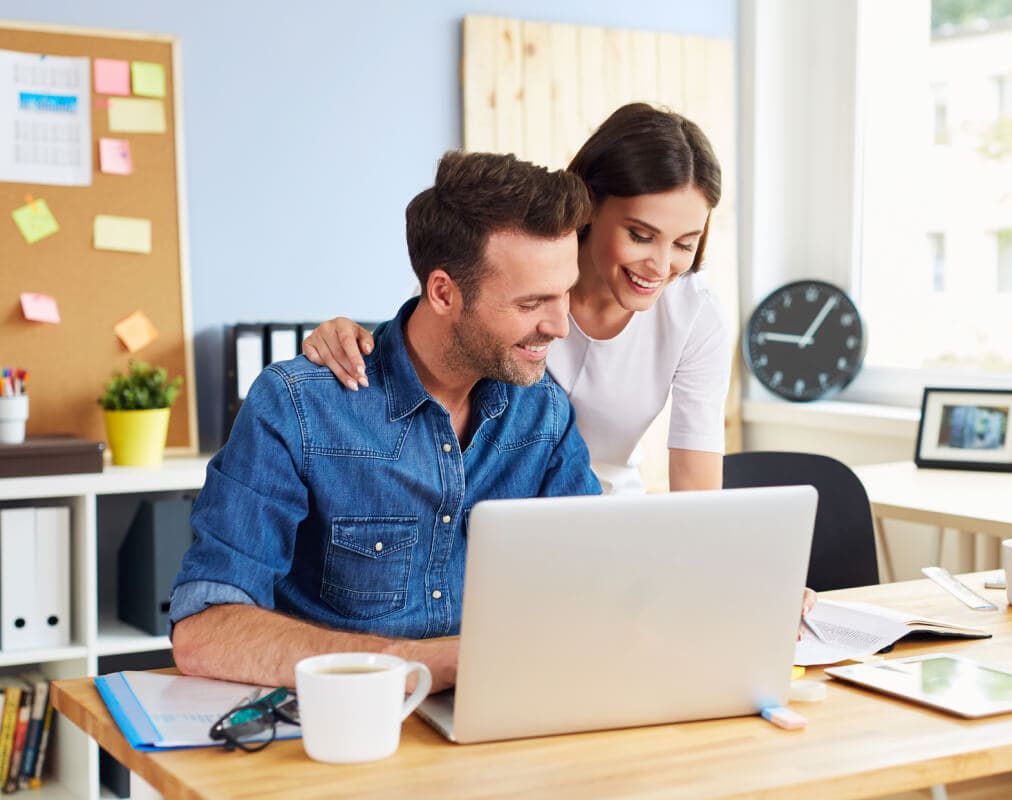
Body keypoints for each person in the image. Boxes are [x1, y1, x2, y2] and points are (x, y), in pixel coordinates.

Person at [169, 151, 601, 693]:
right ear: (444, 292)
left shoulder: (543, 414)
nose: (560, 325)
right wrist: (427, 666)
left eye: (565, 293)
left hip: (497, 719)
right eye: (533, 301)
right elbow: (205, 632)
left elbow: (593, 591)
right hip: (340, 725)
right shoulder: (300, 406)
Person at [304, 103, 730, 495]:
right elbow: (416, 354)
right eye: (640, 236)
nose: (659, 265)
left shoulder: (695, 315)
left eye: (684, 244)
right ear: (590, 205)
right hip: (486, 505)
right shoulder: (502, 269)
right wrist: (347, 339)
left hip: (600, 515)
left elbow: (698, 494)